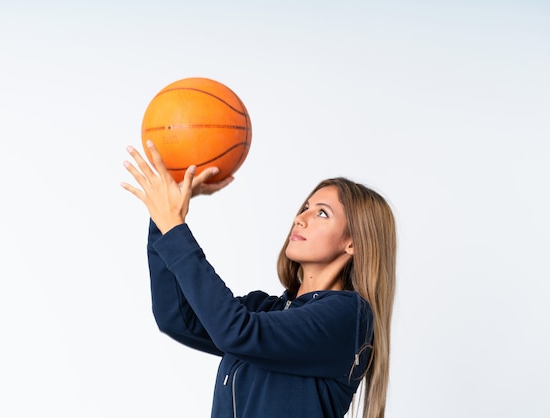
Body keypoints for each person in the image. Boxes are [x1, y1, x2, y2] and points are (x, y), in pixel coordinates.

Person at [121, 140, 397, 418]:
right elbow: (178, 319)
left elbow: (236, 331)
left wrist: (174, 228)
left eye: (322, 213)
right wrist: (162, 219)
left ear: (354, 242)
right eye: (305, 207)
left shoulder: (349, 317)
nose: (301, 218)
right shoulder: (267, 309)